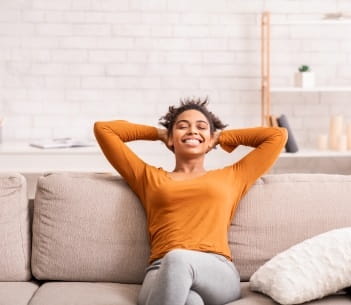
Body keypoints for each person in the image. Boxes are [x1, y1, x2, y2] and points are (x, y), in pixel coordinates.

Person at [93, 98, 287, 305]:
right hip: (160, 270)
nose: (192, 131)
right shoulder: (148, 178)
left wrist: (219, 137)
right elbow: (103, 129)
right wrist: (159, 134)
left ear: (211, 139)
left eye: (201, 127)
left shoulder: (233, 176)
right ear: (171, 138)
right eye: (182, 127)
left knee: (178, 259)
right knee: (191, 301)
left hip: (216, 269)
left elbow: (277, 135)